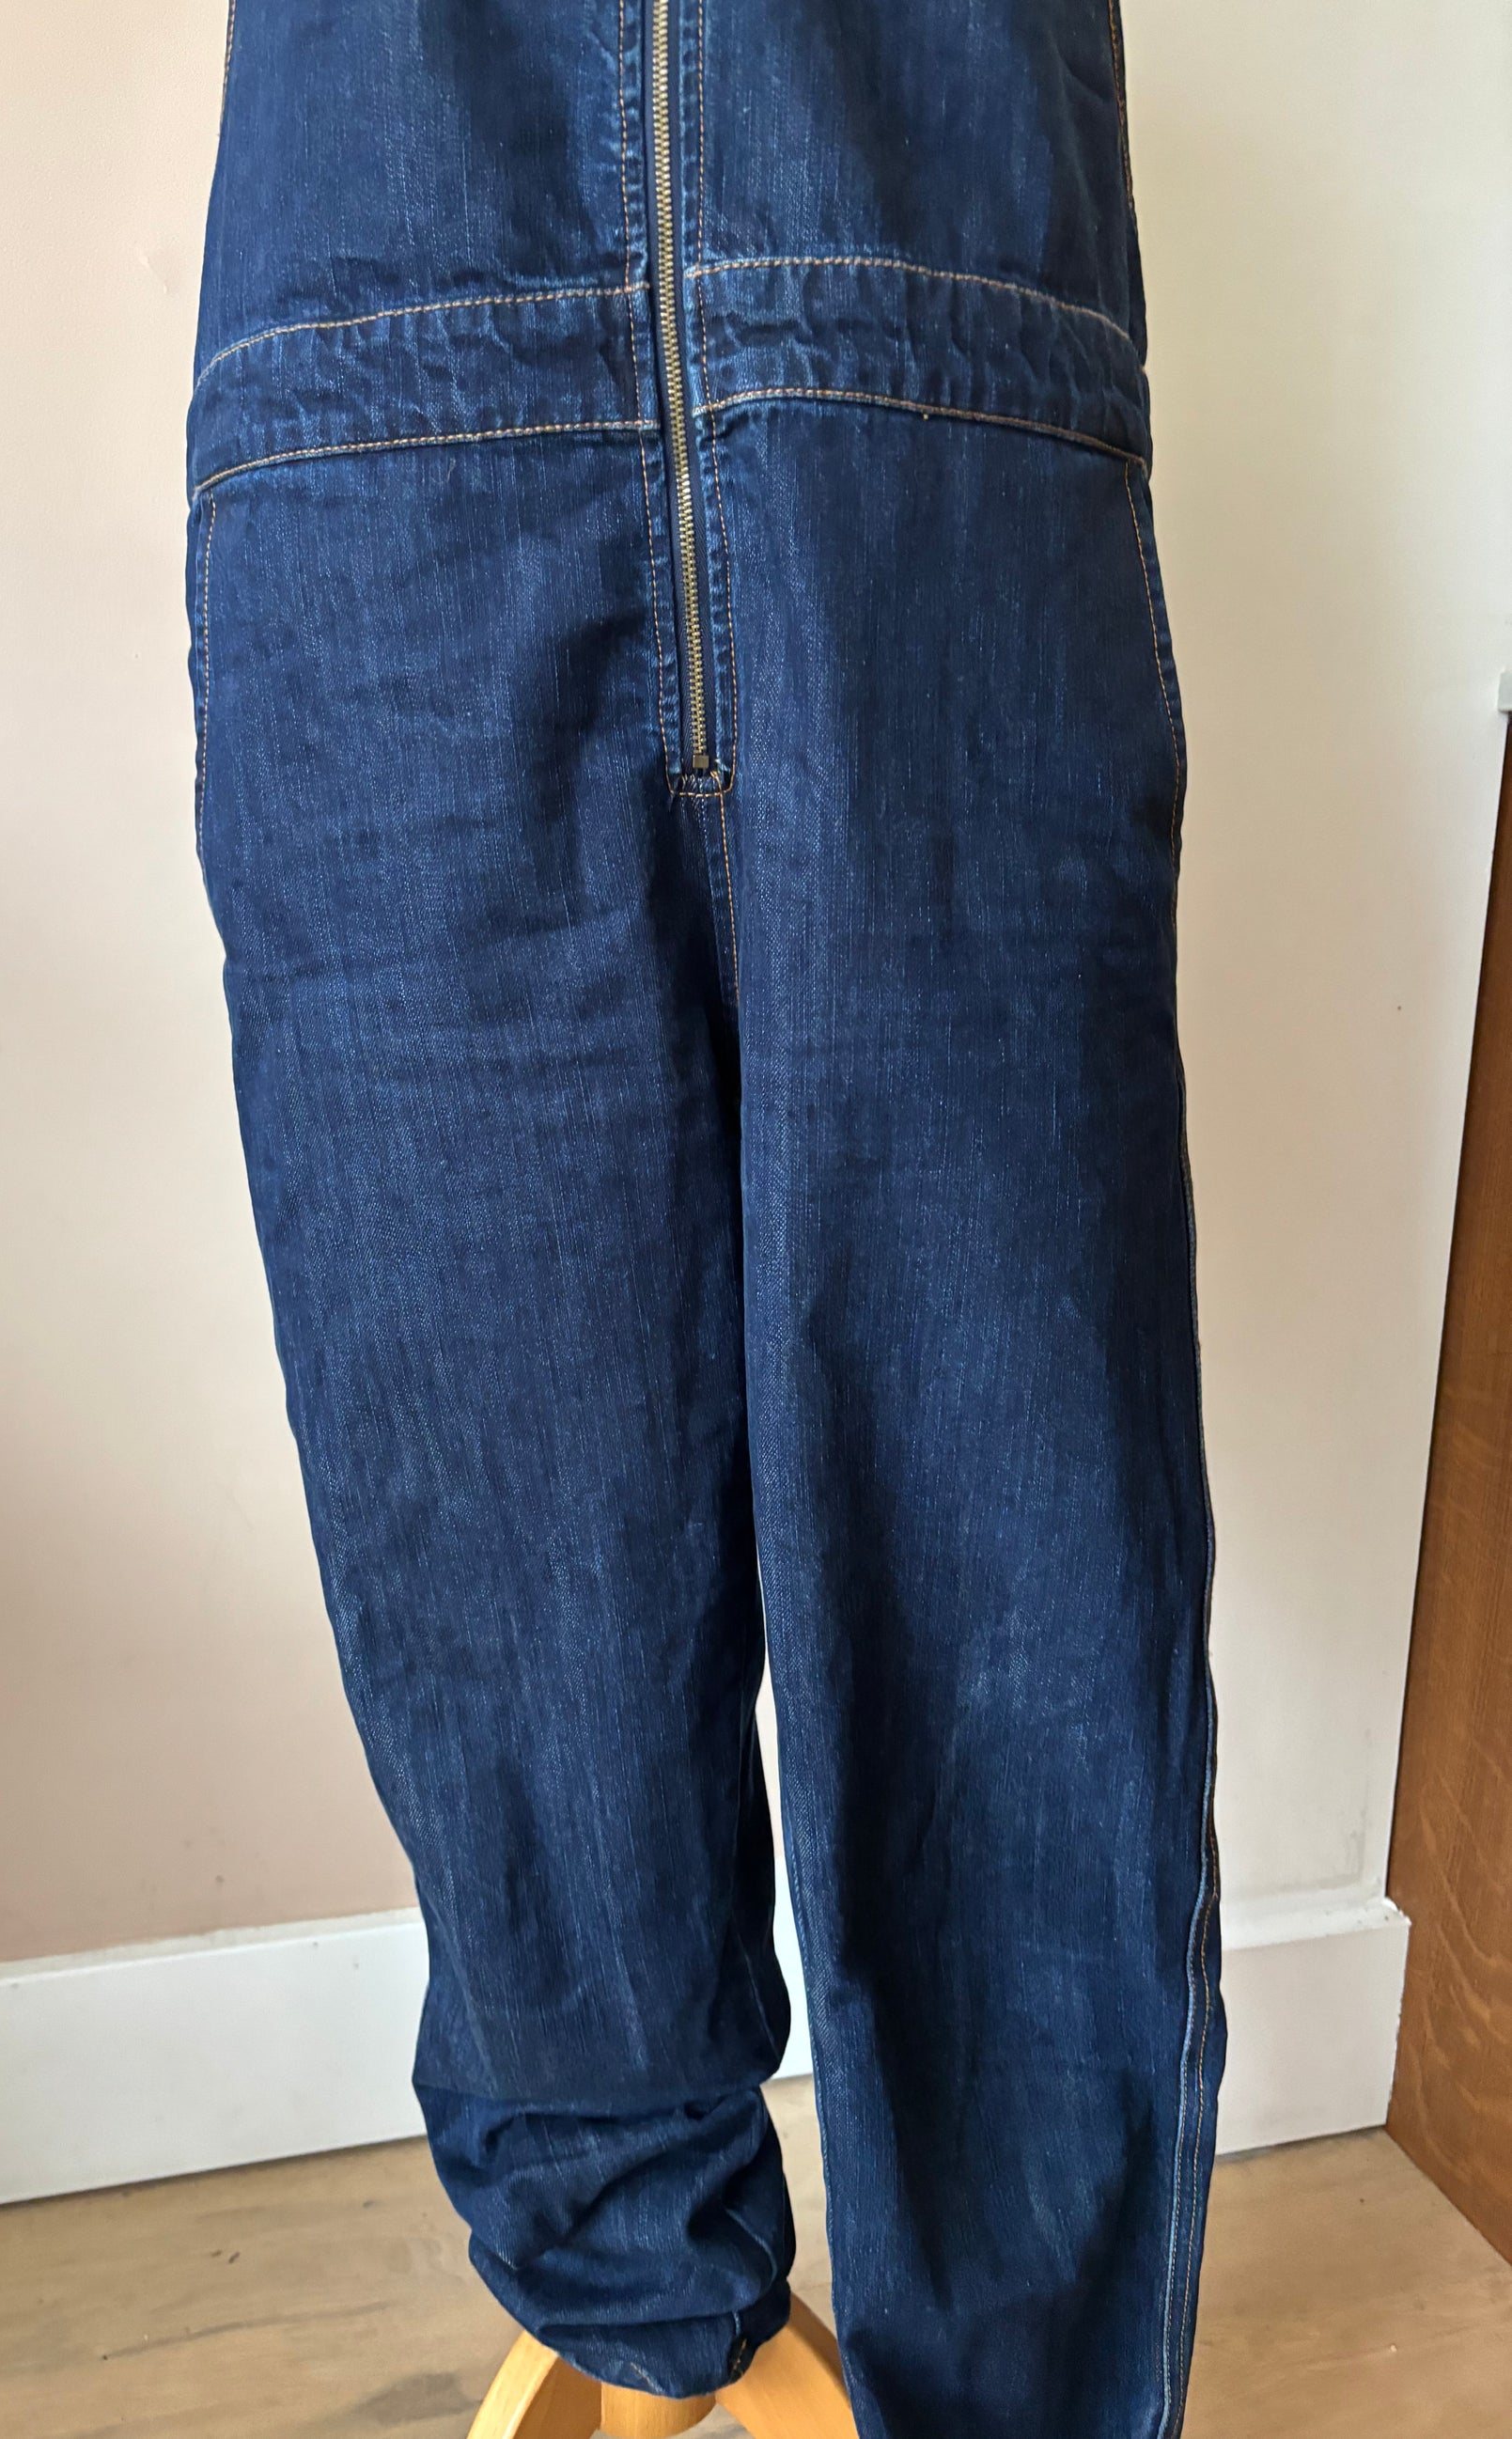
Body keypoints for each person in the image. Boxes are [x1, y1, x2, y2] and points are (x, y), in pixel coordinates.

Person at [184, 5, 1223, 2431]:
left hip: (938, 423)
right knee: (500, 1523)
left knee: (1014, 1540)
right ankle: (639, 2305)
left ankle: (1032, 2387)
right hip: (387, 443)